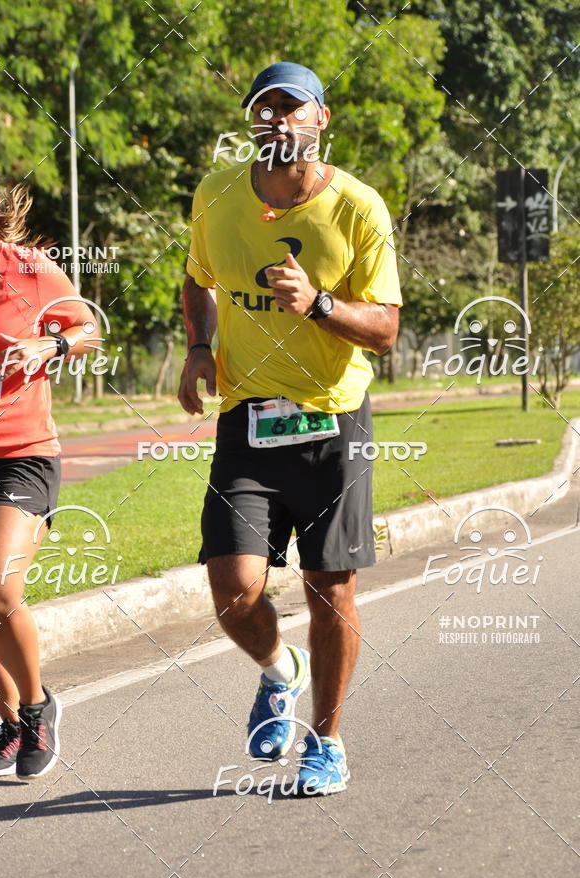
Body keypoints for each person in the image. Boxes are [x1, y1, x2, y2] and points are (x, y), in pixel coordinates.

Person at [179, 62, 401, 794]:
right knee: (233, 590)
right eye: (263, 110)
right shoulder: (217, 195)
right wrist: (200, 347)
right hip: (247, 419)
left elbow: (387, 330)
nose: (275, 120)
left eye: (290, 108)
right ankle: (282, 672)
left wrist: (317, 304)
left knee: (329, 587)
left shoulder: (359, 209)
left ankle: (327, 740)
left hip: (332, 420)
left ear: (320, 120)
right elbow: (197, 277)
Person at [0, 152, 96, 780]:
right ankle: (8, 725)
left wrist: (50, 343)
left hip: (21, 454)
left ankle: (37, 707)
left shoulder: (29, 270)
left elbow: (88, 331)